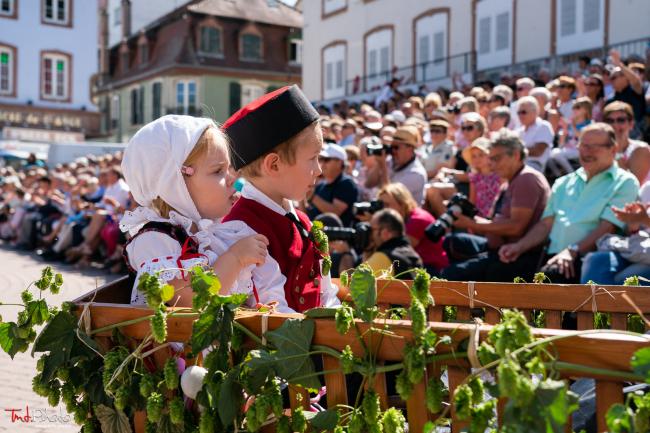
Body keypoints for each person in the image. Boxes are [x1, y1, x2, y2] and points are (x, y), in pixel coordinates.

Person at [120, 115, 269, 307]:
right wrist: (235, 258)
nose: (233, 179)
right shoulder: (154, 240)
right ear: (174, 184)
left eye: (229, 169)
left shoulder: (213, 235)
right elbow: (189, 301)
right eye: (218, 171)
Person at [222, 85, 340, 313]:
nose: (319, 170)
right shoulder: (242, 230)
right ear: (274, 165)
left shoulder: (303, 222)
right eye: (313, 159)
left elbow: (326, 294)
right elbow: (273, 313)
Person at [499, 123, 639, 284]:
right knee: (499, 269)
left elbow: (607, 227)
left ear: (613, 150)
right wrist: (519, 247)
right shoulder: (563, 182)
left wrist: (572, 251)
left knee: (548, 279)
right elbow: (545, 225)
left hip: (587, 258)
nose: (587, 152)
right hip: (554, 256)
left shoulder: (625, 182)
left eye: (594, 147)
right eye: (584, 146)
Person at [441, 130, 550, 282]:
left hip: (514, 255)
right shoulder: (509, 180)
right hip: (495, 247)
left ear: (516, 155)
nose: (492, 164)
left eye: (497, 158)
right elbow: (495, 221)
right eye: (491, 159)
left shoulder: (526, 179)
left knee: (449, 275)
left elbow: (516, 227)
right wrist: (466, 216)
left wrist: (472, 224)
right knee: (452, 242)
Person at [377, 182, 448, 275]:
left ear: (402, 204)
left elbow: (397, 249)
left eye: (387, 205)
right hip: (418, 265)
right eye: (381, 205)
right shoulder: (405, 218)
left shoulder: (417, 219)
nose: (383, 210)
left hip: (433, 269)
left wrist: (375, 225)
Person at [581, 201, 650, 285]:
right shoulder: (646, 189)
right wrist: (633, 225)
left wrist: (645, 220)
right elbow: (636, 233)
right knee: (596, 259)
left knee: (623, 279)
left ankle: (602, 297)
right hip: (636, 251)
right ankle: (592, 297)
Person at [364, 125, 428, 204]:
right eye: (391, 147)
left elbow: (390, 197)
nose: (393, 151)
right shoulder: (391, 161)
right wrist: (379, 162)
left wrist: (383, 166)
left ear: (410, 149)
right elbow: (368, 184)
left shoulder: (416, 174)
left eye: (396, 147)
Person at [307, 143, 359, 226]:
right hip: (317, 235)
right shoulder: (320, 186)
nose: (322, 164)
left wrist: (312, 196)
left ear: (339, 162)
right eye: (321, 159)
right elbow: (306, 214)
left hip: (335, 237)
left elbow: (335, 213)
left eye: (327, 160)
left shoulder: (346, 184)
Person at [364, 208, 423, 279]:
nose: (370, 235)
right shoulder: (414, 256)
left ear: (385, 233)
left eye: (372, 230)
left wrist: (346, 253)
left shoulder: (382, 257)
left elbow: (355, 286)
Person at [603, 101, 650, 184]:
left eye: (621, 120)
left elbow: (632, 186)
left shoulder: (641, 149)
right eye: (610, 120)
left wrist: (617, 150)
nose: (615, 125)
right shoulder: (600, 149)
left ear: (631, 124)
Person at [549, 97, 593, 176]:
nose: (574, 110)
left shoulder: (590, 124)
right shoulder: (571, 123)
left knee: (556, 154)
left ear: (586, 109)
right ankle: (558, 175)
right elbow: (561, 145)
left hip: (581, 150)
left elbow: (581, 137)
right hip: (568, 149)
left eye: (578, 107)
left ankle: (572, 174)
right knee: (549, 155)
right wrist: (564, 130)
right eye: (574, 107)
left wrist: (572, 125)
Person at [516, 96, 555, 173]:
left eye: (523, 112)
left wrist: (514, 152)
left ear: (535, 112)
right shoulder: (519, 130)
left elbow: (538, 151)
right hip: (518, 164)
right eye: (518, 112)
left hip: (533, 166)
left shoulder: (543, 126)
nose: (520, 115)